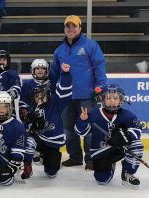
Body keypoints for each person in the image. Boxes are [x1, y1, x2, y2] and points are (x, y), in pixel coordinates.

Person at [51, 15, 107, 170]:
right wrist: (51, 91)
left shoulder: (91, 46)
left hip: (86, 95)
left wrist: (101, 87)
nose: (71, 29)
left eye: (74, 26)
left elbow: (99, 67)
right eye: (68, 26)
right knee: (68, 129)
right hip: (65, 97)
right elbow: (54, 73)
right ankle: (75, 157)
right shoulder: (59, 50)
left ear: (80, 28)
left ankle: (91, 159)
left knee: (89, 129)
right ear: (64, 29)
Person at [75, 84, 143, 189]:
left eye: (115, 98)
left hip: (119, 147)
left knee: (137, 144)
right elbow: (81, 133)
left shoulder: (127, 115)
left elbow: (137, 130)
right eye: (108, 98)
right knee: (101, 180)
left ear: (121, 99)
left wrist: (124, 137)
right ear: (102, 99)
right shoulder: (93, 114)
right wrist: (83, 121)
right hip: (100, 150)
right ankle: (110, 165)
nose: (112, 101)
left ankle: (128, 173)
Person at [20, 65, 72, 179]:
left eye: (42, 95)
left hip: (52, 141)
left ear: (48, 95)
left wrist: (66, 75)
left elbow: (65, 90)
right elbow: (24, 130)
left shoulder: (56, 104)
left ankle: (46, 158)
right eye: (37, 96)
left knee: (51, 173)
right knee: (28, 141)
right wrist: (29, 120)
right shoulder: (32, 109)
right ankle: (27, 165)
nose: (40, 98)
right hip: (38, 140)